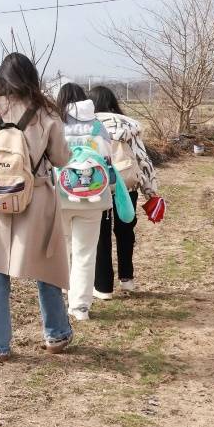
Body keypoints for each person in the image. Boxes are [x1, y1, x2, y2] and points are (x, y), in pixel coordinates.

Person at [0, 53, 73, 362]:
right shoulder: (45, 113)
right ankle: (56, 335)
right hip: (36, 197)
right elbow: (61, 158)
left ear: (1, 77)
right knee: (46, 268)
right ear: (31, 78)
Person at [88, 85, 160, 298]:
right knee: (125, 231)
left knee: (100, 234)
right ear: (113, 102)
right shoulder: (129, 125)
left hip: (97, 186)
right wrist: (150, 190)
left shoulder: (87, 125)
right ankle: (127, 279)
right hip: (126, 184)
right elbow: (142, 159)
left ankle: (103, 287)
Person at [55, 82, 112, 322]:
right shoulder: (98, 126)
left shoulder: (56, 123)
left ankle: (62, 294)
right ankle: (79, 308)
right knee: (85, 253)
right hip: (93, 197)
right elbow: (107, 157)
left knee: (62, 250)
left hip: (60, 194)